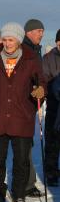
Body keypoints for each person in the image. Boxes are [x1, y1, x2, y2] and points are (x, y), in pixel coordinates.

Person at [0, 22, 46, 202]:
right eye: (5, 39)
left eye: (11, 40)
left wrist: (41, 90)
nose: (7, 44)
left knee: (21, 161)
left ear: (18, 40)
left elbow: (41, 81)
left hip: (22, 116)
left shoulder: (31, 59)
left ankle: (18, 194)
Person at [23, 19, 45, 197]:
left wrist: (40, 89)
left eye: (42, 31)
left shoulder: (36, 50)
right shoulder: (24, 50)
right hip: (21, 102)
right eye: (39, 30)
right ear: (29, 32)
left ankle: (27, 182)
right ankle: (26, 183)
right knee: (23, 143)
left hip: (32, 102)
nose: (41, 34)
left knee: (27, 142)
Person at [42, 29, 60, 186]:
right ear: (57, 42)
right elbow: (43, 79)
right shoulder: (48, 58)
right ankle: (51, 172)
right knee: (52, 142)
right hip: (54, 107)